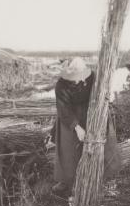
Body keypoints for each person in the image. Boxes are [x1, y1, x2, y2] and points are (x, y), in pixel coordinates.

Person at [52, 57, 121, 198]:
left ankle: (103, 175)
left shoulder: (93, 76)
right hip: (70, 115)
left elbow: (104, 91)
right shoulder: (61, 85)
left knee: (101, 143)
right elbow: (63, 109)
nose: (76, 81)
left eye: (79, 77)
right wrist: (76, 127)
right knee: (69, 147)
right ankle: (67, 180)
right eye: (73, 78)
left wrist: (107, 97)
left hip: (93, 111)